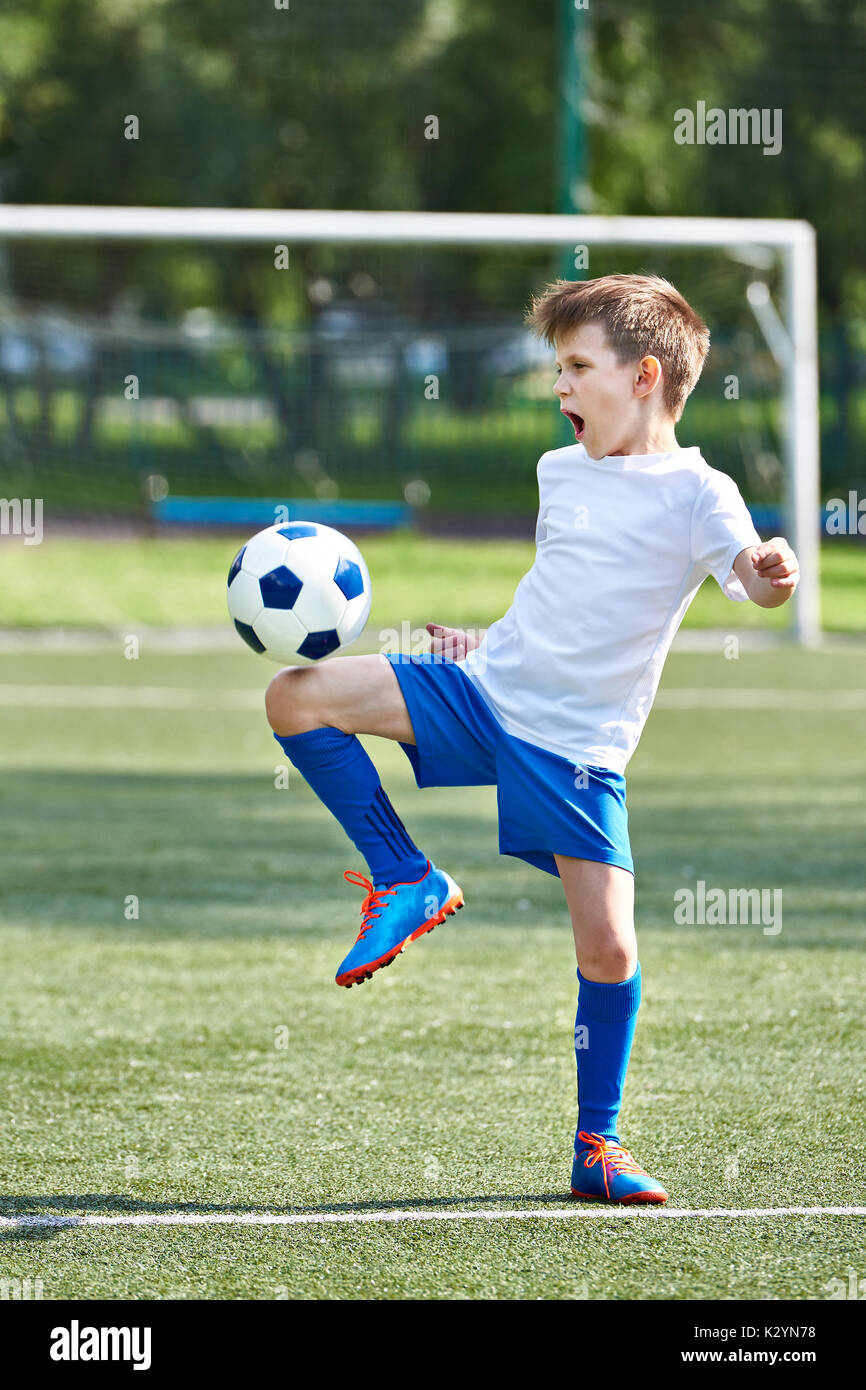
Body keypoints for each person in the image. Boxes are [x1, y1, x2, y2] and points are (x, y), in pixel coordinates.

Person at [265, 274, 800, 1204]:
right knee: (295, 697)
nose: (561, 388)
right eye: (558, 368)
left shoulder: (700, 494)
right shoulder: (560, 469)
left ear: (642, 376)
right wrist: (495, 642)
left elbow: (751, 585)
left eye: (576, 367)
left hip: (577, 750)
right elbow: (565, 583)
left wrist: (773, 573)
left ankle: (598, 1147)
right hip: (485, 692)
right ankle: (404, 878)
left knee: (609, 953)